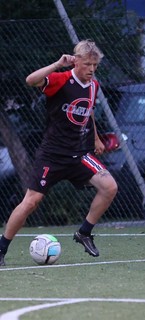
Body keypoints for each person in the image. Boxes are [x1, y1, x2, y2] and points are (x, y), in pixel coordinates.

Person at [0, 39, 118, 266]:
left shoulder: (94, 85)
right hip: (52, 155)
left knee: (109, 187)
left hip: (79, 154)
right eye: (87, 65)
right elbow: (30, 80)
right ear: (76, 62)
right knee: (31, 202)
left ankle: (84, 233)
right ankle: (2, 247)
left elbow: (89, 111)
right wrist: (57, 64)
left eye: (95, 65)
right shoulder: (61, 79)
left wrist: (95, 138)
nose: (92, 70)